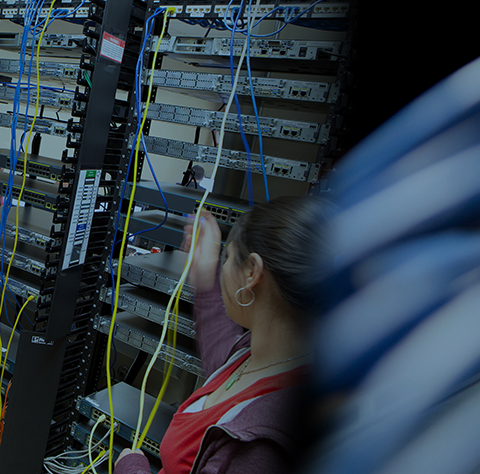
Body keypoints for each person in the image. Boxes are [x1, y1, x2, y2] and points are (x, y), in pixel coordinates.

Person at [115, 196, 326, 474]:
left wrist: (131, 468)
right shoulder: (265, 353)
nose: (224, 267)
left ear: (251, 271)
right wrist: (205, 271)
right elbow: (222, 359)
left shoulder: (261, 445)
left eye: (228, 257)